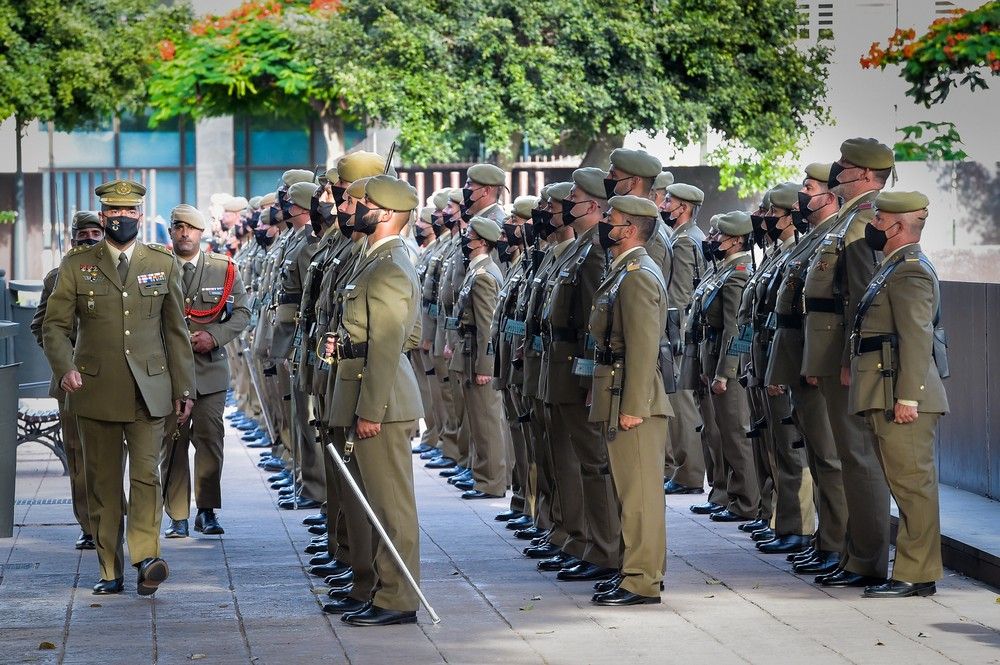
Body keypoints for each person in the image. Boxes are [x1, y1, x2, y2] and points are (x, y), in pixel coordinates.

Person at [42, 179, 195, 596]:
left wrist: (186, 388)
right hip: (95, 389)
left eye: (129, 212)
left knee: (147, 476)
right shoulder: (77, 264)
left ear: (140, 216)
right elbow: (54, 327)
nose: (121, 219)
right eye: (114, 212)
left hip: (151, 391)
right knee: (104, 483)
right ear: (104, 216)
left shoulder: (161, 262)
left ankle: (145, 556)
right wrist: (65, 367)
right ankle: (109, 568)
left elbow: (176, 331)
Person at [326, 175, 424, 626]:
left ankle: (398, 599)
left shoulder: (389, 264)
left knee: (391, 508)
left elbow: (388, 344)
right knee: (374, 504)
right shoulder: (375, 258)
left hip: (380, 400)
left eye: (359, 202)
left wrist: (371, 409)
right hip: (366, 388)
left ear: (385, 213)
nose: (349, 208)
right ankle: (380, 589)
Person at [802, 138, 894, 589]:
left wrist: (847, 359)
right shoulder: (847, 219)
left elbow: (862, 301)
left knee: (858, 459)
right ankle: (852, 554)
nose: (836, 170)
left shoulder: (863, 222)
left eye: (844, 166)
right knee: (847, 458)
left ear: (862, 174)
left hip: (849, 359)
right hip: (831, 352)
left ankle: (867, 560)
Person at [848, 191, 948, 598]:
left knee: (913, 485)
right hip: (884, 388)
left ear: (898, 226)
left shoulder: (909, 271)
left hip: (901, 395)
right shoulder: (890, 267)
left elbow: (916, 337)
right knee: (904, 483)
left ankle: (917, 573)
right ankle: (912, 570)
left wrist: (908, 397)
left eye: (878, 220)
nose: (872, 226)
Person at [588, 195, 672, 606]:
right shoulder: (625, 270)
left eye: (611, 219)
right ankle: (634, 570)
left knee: (640, 495)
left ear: (631, 228)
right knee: (630, 492)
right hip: (617, 388)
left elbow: (643, 348)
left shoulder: (637, 274)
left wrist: (634, 406)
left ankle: (642, 580)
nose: (604, 223)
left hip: (633, 395)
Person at [160, 205, 250, 538]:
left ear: (201, 233)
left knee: (210, 439)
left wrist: (214, 336)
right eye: (178, 227)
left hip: (209, 369)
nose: (185, 233)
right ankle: (178, 514)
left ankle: (207, 510)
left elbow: (242, 313)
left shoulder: (223, 269)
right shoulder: (157, 267)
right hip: (169, 371)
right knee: (173, 441)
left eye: (191, 228)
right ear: (171, 232)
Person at [31, 211, 105, 551]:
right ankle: (89, 525)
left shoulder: (117, 274)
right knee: (77, 455)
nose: (88, 238)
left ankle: (113, 517)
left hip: (110, 378)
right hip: (70, 382)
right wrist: (64, 362)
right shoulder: (56, 277)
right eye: (83, 233)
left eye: (95, 232)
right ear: (72, 238)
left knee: (112, 454)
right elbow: (40, 326)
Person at [696, 211, 760, 522]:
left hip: (728, 369)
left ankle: (746, 502)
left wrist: (725, 372)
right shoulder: (722, 270)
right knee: (720, 434)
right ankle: (728, 496)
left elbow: (735, 329)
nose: (712, 240)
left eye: (718, 236)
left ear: (735, 240)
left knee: (736, 436)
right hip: (712, 358)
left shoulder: (738, 272)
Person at [455, 216, 510, 499]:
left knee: (487, 421)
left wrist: (485, 366)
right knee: (478, 421)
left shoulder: (485, 275)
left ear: (483, 242)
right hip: (469, 352)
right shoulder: (477, 270)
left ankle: (491, 481)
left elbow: (487, 326)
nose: (466, 239)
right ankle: (483, 475)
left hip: (478, 356)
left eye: (471, 236)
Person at [659, 183, 708, 495]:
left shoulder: (684, 240)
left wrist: (671, 337)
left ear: (684, 208)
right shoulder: (690, 236)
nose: (664, 203)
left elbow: (678, 295)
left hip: (680, 332)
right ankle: (686, 471)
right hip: (687, 330)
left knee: (683, 405)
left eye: (669, 200)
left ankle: (688, 473)